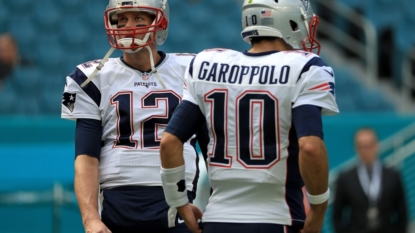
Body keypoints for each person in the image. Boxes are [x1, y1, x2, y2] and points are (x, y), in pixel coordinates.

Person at [159, 0, 339, 233]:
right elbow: (310, 148)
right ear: (289, 21)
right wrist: (319, 207)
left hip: (217, 220)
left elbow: (169, 142)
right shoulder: (305, 68)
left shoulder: (206, 63)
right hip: (277, 219)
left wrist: (179, 202)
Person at [61, 0, 208, 232]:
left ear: (159, 22)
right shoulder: (90, 78)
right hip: (116, 202)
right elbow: (86, 157)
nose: (128, 26)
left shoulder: (193, 69)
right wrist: (90, 219)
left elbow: (210, 148)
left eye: (138, 18)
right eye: (122, 20)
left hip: (177, 200)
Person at [332, 128, 408, 233]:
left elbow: (402, 212)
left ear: (377, 145)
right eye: (362, 146)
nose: (366, 150)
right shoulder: (346, 178)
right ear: (356, 148)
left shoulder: (392, 175)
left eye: (370, 145)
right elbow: (337, 215)